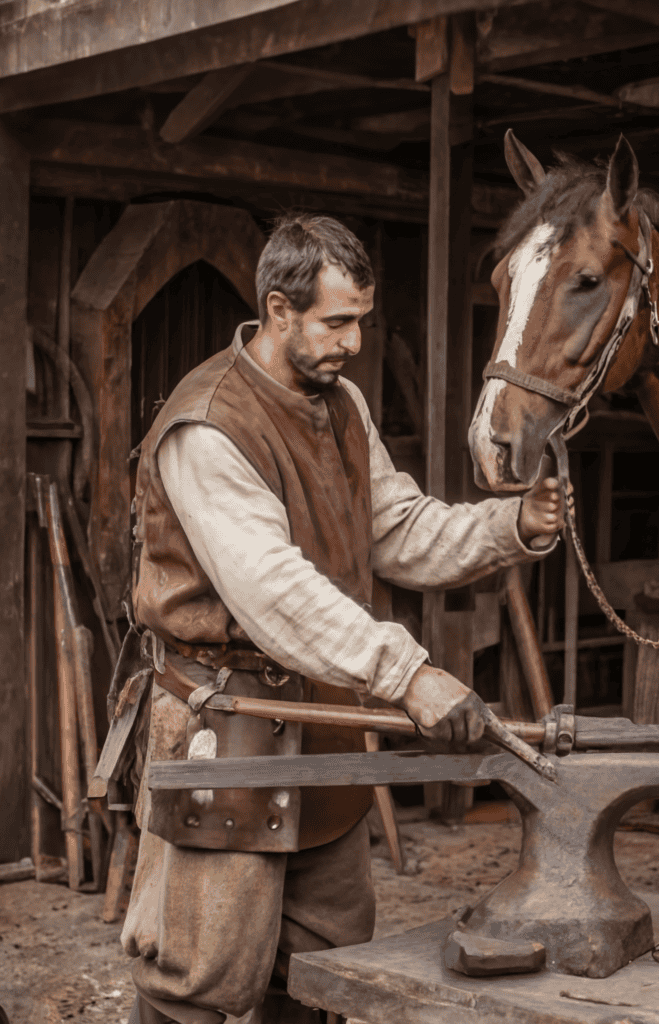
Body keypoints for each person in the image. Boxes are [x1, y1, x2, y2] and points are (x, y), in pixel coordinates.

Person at [120, 214, 564, 1024]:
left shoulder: (343, 404)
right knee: (196, 973)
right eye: (336, 322)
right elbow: (275, 591)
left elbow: (393, 527)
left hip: (326, 726)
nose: (353, 342)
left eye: (360, 319)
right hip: (231, 729)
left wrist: (509, 527)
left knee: (321, 964)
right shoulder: (208, 426)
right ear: (278, 310)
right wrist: (409, 677)